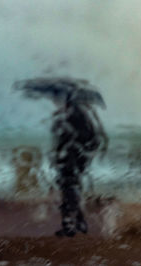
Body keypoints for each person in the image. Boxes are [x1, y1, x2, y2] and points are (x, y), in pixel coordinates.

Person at [51, 92, 107, 237]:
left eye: (59, 99)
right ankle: (78, 221)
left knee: (68, 189)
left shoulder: (75, 116)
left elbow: (85, 139)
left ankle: (71, 225)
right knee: (69, 189)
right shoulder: (73, 116)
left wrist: (72, 147)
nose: (57, 102)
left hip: (72, 159)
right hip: (72, 159)